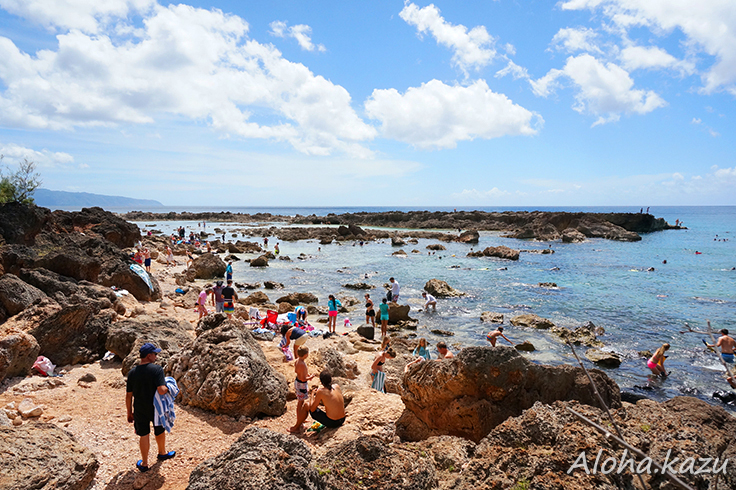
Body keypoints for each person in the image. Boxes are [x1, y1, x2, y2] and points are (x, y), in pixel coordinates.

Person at [126, 343, 175, 472]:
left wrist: (129, 412)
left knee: (144, 434)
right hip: (156, 407)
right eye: (155, 354)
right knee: (159, 429)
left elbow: (128, 396)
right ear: (149, 355)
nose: (157, 357)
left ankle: (145, 463)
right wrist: (170, 385)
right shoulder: (156, 369)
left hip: (139, 408)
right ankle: (162, 452)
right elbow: (162, 389)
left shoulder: (132, 373)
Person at [289, 346, 315, 433]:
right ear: (305, 355)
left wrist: (306, 376)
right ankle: (299, 421)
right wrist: (310, 377)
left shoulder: (297, 361)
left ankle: (301, 419)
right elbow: (303, 378)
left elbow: (298, 373)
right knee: (301, 402)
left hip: (298, 381)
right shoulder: (302, 364)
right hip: (301, 384)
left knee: (300, 401)